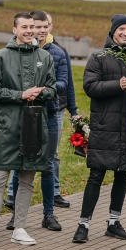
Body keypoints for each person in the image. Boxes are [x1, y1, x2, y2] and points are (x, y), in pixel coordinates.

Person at [0, 13, 57, 248]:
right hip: (8, 127)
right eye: (24, 27)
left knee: (27, 179)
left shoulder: (45, 57)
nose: (29, 31)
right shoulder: (0, 57)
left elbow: (53, 89)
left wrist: (42, 92)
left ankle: (20, 228)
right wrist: (20, 95)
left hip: (35, 126)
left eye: (32, 27)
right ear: (14, 29)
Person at [72, 14, 126, 243]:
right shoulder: (98, 57)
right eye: (122, 29)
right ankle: (83, 224)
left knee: (122, 174)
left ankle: (113, 222)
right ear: (113, 31)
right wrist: (115, 85)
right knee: (96, 174)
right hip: (105, 126)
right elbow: (90, 86)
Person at [7, 11, 67, 232]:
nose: (37, 30)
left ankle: (48, 214)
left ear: (49, 27)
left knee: (48, 164)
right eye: (34, 26)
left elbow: (63, 83)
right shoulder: (16, 52)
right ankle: (15, 215)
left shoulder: (57, 53)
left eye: (42, 26)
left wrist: (42, 90)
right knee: (19, 164)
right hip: (23, 114)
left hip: (49, 114)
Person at [45, 12, 78, 208]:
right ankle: (12, 194)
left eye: (47, 24)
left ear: (51, 26)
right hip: (30, 108)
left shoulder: (60, 50)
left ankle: (55, 191)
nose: (43, 29)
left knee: (53, 153)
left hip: (56, 108)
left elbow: (70, 83)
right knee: (25, 150)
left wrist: (73, 110)